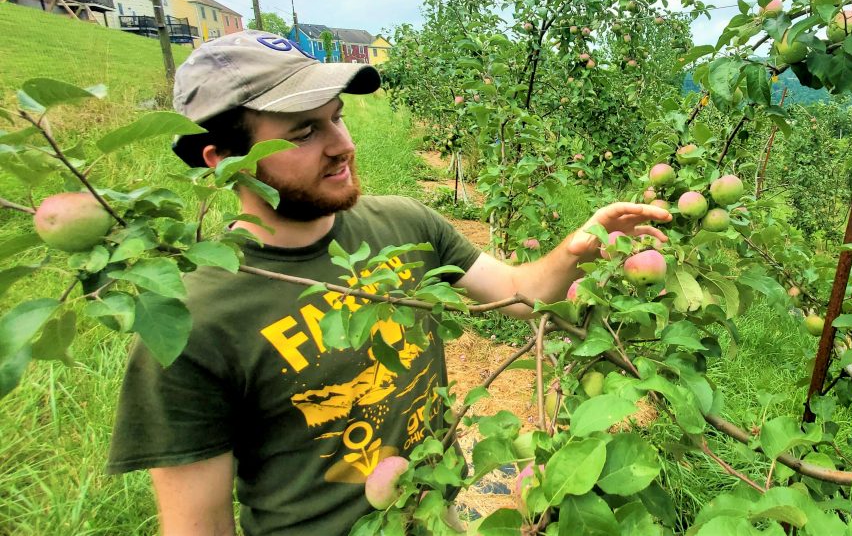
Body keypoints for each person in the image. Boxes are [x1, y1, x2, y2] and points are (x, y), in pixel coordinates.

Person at [106, 30, 670, 535]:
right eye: (303, 132)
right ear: (224, 160)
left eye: (337, 116)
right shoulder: (191, 320)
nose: (342, 144)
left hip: (431, 513)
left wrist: (577, 249)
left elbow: (522, 295)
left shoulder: (403, 222)